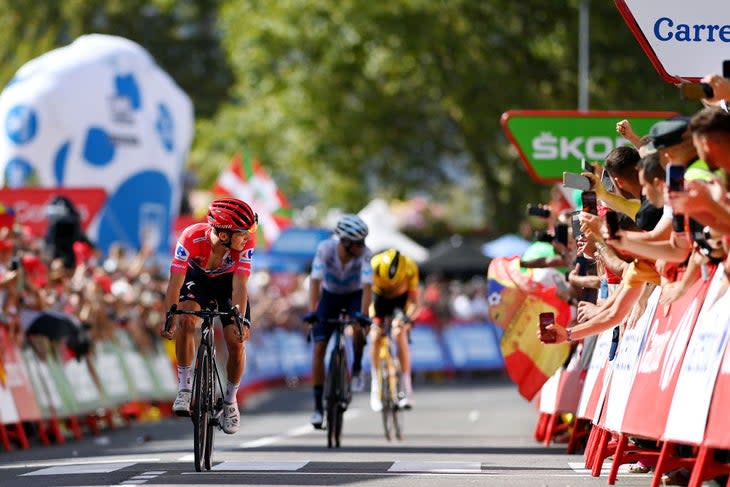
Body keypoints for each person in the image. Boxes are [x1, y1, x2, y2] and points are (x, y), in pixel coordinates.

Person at [159, 198, 255, 435]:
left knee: (236, 339)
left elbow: (240, 286)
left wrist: (239, 318)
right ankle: (184, 387)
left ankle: (231, 401)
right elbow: (175, 281)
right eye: (242, 233)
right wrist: (169, 315)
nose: (247, 237)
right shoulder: (191, 237)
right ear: (224, 235)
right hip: (197, 279)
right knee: (186, 318)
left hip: (228, 283)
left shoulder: (245, 245)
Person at [304, 214, 373, 429]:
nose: (363, 246)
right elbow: (315, 282)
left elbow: (368, 287)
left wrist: (362, 315)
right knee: (319, 348)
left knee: (359, 328)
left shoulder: (365, 255)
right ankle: (317, 408)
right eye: (358, 242)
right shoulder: (325, 250)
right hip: (330, 297)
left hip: (354, 296)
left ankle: (358, 367)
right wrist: (313, 311)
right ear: (344, 242)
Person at [369, 248, 420, 411]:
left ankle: (406, 387)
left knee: (399, 333)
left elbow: (414, 301)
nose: (391, 285)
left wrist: (407, 319)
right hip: (378, 299)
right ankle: (375, 385)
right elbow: (363, 296)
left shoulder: (410, 267)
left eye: (394, 283)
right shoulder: (373, 266)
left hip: (401, 302)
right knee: (375, 336)